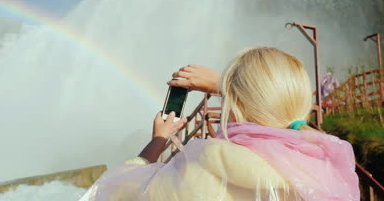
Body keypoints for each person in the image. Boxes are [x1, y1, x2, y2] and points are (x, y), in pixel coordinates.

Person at [81, 47, 359, 200]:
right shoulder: (328, 165)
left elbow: (117, 191)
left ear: (233, 106)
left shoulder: (210, 164)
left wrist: (158, 140)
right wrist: (228, 86)